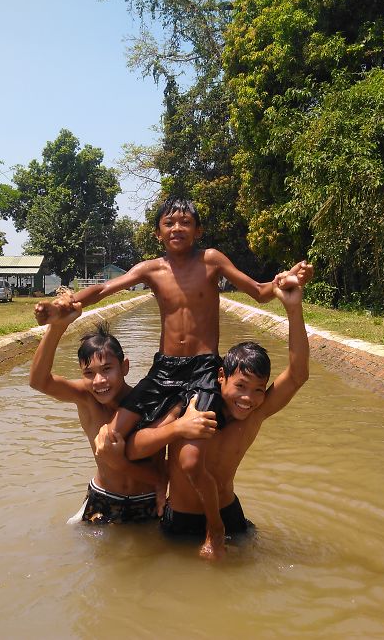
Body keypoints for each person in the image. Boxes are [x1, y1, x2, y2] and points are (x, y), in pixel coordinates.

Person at [35, 197, 313, 558]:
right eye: (169, 223)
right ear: (158, 233)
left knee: (193, 459)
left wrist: (283, 282)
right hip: (164, 370)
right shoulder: (151, 269)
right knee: (112, 438)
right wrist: (65, 305)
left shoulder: (211, 260)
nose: (177, 228)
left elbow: (260, 293)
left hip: (201, 370)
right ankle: (148, 486)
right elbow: (104, 290)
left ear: (198, 231)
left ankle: (214, 530)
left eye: (185, 223)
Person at [119, 282, 309, 553]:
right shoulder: (190, 404)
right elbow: (133, 447)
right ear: (221, 377)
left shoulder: (256, 414)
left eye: (258, 389)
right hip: (181, 519)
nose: (247, 398)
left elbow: (298, 374)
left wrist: (293, 308)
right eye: (240, 386)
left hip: (228, 514)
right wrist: (178, 428)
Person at [29, 306, 164, 524]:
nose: (99, 381)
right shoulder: (85, 396)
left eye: (107, 369)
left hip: (148, 500)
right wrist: (57, 327)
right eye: (89, 373)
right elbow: (39, 381)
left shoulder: (149, 399)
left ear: (125, 366)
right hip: (103, 499)